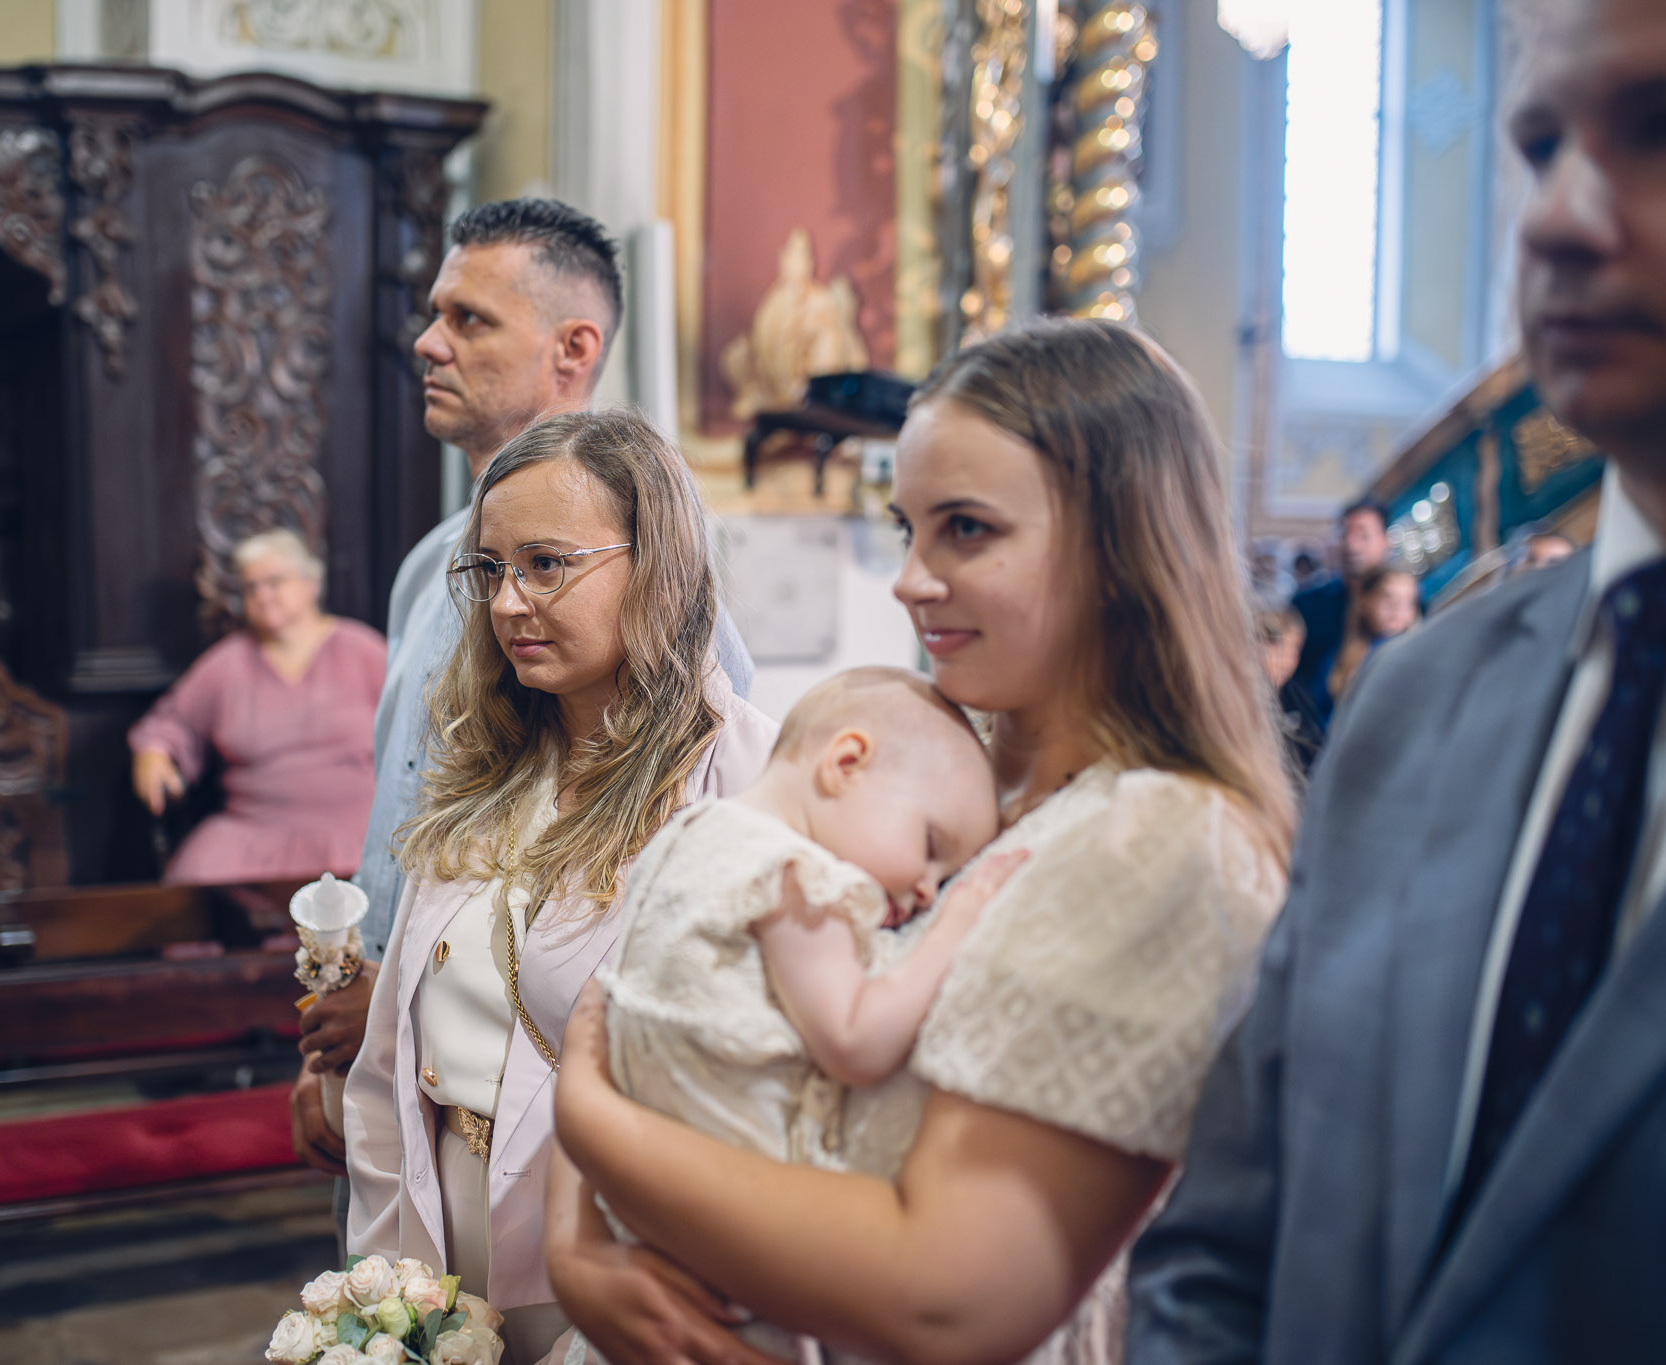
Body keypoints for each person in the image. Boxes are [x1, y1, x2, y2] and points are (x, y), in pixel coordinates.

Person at [548, 318, 1294, 1365]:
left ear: (1118, 550)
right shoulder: (940, 767)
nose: (909, 578)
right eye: (908, 527)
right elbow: (673, 985)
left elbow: (946, 1300)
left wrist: (587, 1124)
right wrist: (575, 1242)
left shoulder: (1161, 838)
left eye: (966, 529)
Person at [1128, 1, 1666, 1358]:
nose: (1555, 217)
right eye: (1537, 146)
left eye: (1655, 131)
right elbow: (1220, 1246)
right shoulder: (1419, 699)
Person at [287, 198, 755, 1173]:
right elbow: (404, 816)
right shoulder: (428, 570)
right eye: (434, 315)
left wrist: (407, 1002)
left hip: (535, 1114)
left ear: (572, 348)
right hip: (384, 1044)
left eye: (469, 319)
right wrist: (348, 1027)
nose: (428, 343)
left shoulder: (667, 592)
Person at [341, 411, 777, 1365]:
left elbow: (757, 1103)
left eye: (546, 565)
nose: (508, 603)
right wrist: (383, 1294)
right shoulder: (486, 768)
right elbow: (387, 1064)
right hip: (442, 1227)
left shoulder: (744, 779)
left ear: (655, 565)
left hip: (617, 1255)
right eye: (492, 569)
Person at [596, 667, 1026, 1360]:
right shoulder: (798, 878)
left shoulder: (689, 834)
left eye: (946, 881)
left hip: (645, 1207)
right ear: (846, 763)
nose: (928, 890)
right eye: (932, 849)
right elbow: (854, 1041)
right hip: (742, 1223)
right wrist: (959, 921)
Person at [127, 529, 385, 883]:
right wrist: (153, 754)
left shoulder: (363, 650)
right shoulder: (225, 664)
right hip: (253, 831)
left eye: (274, 582)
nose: (262, 595)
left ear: (312, 583)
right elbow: (169, 724)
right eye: (251, 588)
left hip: (357, 831)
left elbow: (419, 722)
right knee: (194, 891)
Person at [1288, 499, 1391, 713]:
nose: (1352, 545)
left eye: (1363, 535)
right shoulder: (1307, 606)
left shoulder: (1408, 607)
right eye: (1345, 534)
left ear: (1386, 542)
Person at [1321, 564, 1422, 717]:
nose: (1398, 608)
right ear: (1363, 600)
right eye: (1388, 598)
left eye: (1408, 601)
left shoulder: (1421, 656)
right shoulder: (1335, 662)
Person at [1255, 604, 1322, 775]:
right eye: (1277, 646)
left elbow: (1317, 746)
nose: (1286, 659)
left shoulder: (1297, 695)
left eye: (1295, 648)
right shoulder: (1239, 698)